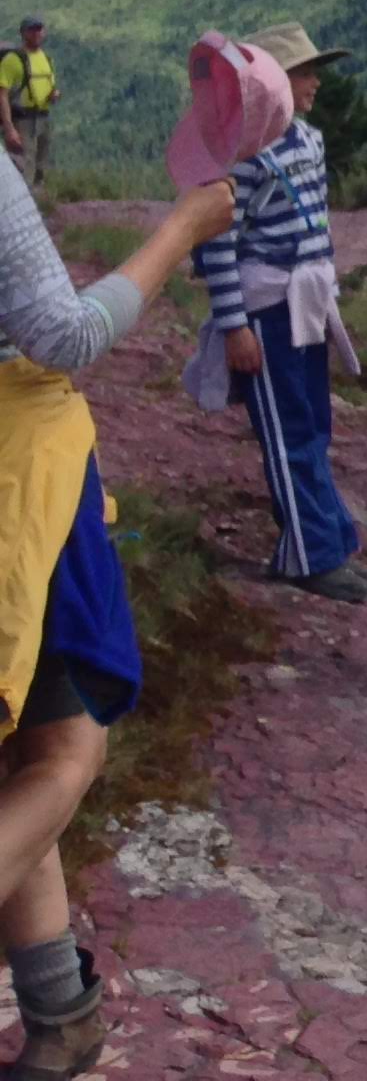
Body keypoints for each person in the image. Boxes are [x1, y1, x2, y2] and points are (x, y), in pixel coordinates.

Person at [0, 52, 244, 1074]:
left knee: (20, 761)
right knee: (66, 756)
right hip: (20, 490)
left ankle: (61, 1019)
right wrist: (180, 231)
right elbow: (60, 335)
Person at [188, 25, 367, 606]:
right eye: (303, 72)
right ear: (271, 85)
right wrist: (236, 325)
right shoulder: (243, 157)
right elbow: (218, 246)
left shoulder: (309, 141)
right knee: (288, 429)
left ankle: (317, 538)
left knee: (311, 422)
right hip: (267, 312)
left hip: (305, 307)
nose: (315, 81)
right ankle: (310, 557)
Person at [0, 24, 52, 195]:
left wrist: (53, 94)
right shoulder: (13, 60)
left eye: (39, 29)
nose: (37, 33)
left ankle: (37, 208)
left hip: (43, 117)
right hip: (22, 120)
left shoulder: (45, 57)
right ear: (23, 33)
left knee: (40, 166)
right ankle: (16, 208)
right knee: (22, 167)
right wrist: (9, 129)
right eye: (32, 30)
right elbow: (2, 95)